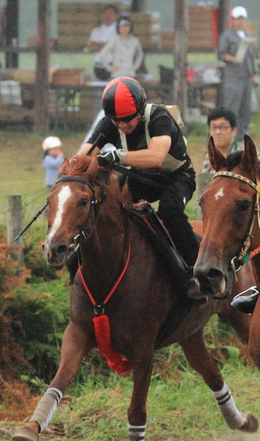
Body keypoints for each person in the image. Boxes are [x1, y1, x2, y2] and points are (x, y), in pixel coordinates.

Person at [76, 76, 202, 300]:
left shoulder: (159, 118)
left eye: (128, 119)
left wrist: (118, 155)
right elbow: (83, 156)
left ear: (140, 110)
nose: (123, 125)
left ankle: (194, 270)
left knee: (170, 210)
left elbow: (155, 158)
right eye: (117, 121)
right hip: (140, 178)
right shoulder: (109, 123)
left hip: (176, 178)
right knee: (111, 208)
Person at [217, 6, 259, 144]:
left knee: (245, 109)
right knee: (232, 108)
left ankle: (241, 138)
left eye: (242, 18)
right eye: (238, 18)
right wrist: (232, 59)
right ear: (233, 20)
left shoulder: (247, 36)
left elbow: (251, 58)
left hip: (246, 78)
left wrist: (254, 74)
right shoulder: (227, 36)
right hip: (233, 77)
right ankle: (229, 137)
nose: (240, 21)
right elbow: (221, 54)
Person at [197, 107, 239, 204]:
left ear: (233, 130)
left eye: (223, 127)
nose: (218, 132)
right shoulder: (209, 158)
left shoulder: (246, 154)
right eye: (214, 127)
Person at [89, 4, 119, 80]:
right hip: (98, 66)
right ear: (102, 15)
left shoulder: (119, 32)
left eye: (111, 14)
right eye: (106, 14)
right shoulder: (96, 31)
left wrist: (99, 45)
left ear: (116, 16)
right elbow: (93, 47)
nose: (108, 16)